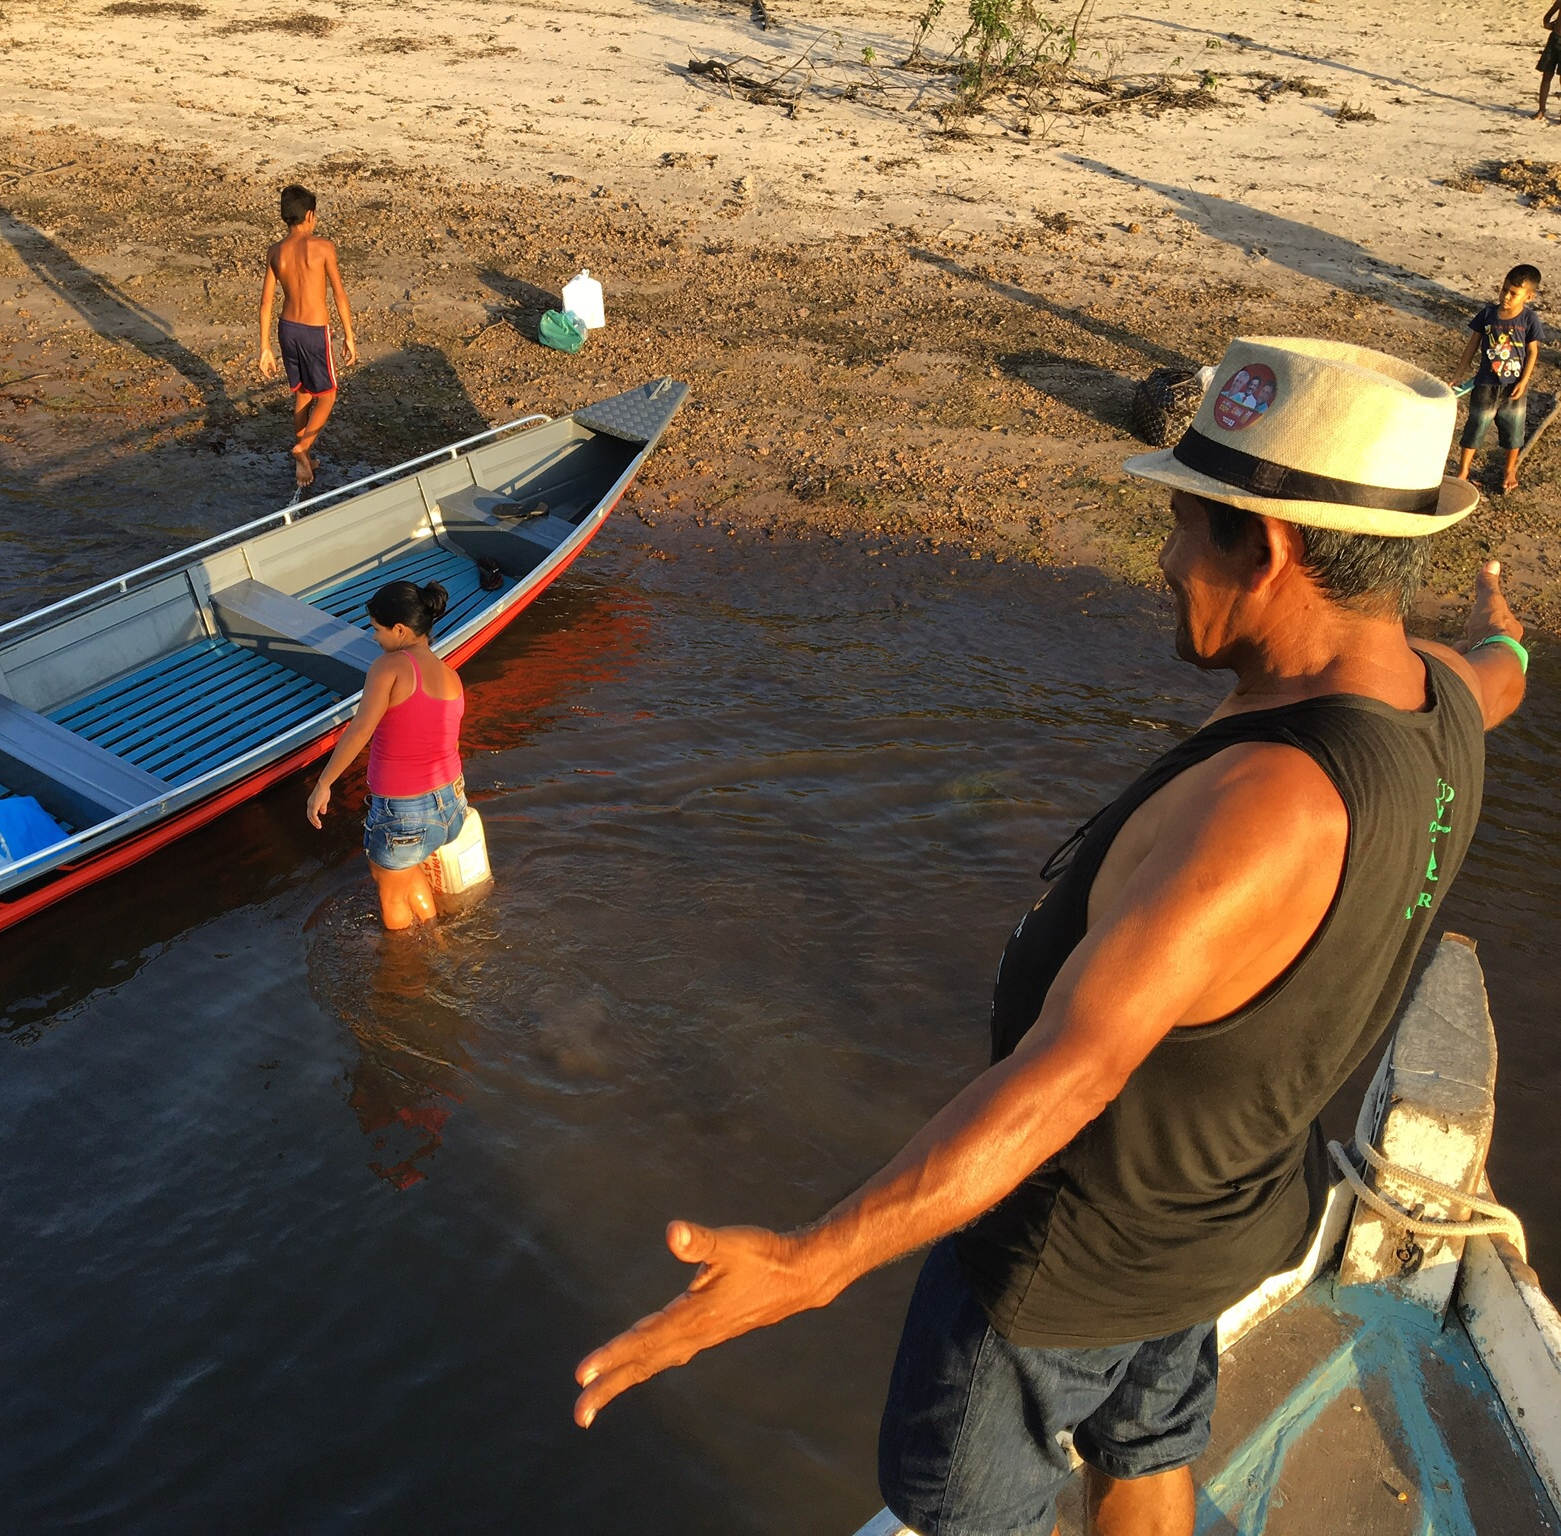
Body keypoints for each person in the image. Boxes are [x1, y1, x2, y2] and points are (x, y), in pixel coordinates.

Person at [571, 338, 1529, 1536]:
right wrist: (1514, 638)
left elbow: (1065, 1077)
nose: (1166, 558)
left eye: (1188, 524)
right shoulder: (1437, 699)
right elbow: (1498, 677)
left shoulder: (1265, 813)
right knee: (1148, 1454)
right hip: (1218, 1222)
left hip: (1055, 1280)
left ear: (1273, 546)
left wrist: (815, 1264)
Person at [306, 581, 468, 931]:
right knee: (397, 873)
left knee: (391, 893)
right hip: (451, 802)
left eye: (377, 628)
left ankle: (404, 973)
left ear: (400, 629)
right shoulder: (450, 675)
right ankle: (437, 943)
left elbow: (361, 729)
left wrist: (324, 783)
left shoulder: (390, 666)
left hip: (406, 811)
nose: (374, 637)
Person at [258, 183, 358, 492]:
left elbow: (265, 303)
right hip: (315, 331)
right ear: (310, 215)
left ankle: (305, 455)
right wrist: (349, 336)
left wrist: (264, 348)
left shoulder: (275, 252)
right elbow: (339, 295)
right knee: (327, 395)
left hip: (287, 329)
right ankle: (302, 449)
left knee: (302, 392)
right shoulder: (323, 247)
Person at [1452, 264, 1544, 492]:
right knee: (1475, 426)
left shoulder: (1529, 320)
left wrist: (1523, 381)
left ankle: (1509, 469)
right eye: (1504, 290)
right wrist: (1458, 374)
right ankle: (1463, 471)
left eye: (1514, 293)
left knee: (1513, 430)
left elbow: (1532, 352)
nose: (1506, 297)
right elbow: (1472, 344)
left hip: (1513, 387)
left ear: (1528, 296)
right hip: (1485, 383)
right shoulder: (1487, 315)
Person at [1538, 3, 1561, 121]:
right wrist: (1547, 24)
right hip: (1554, 40)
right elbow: (1548, 15)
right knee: (1546, 75)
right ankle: (1541, 110)